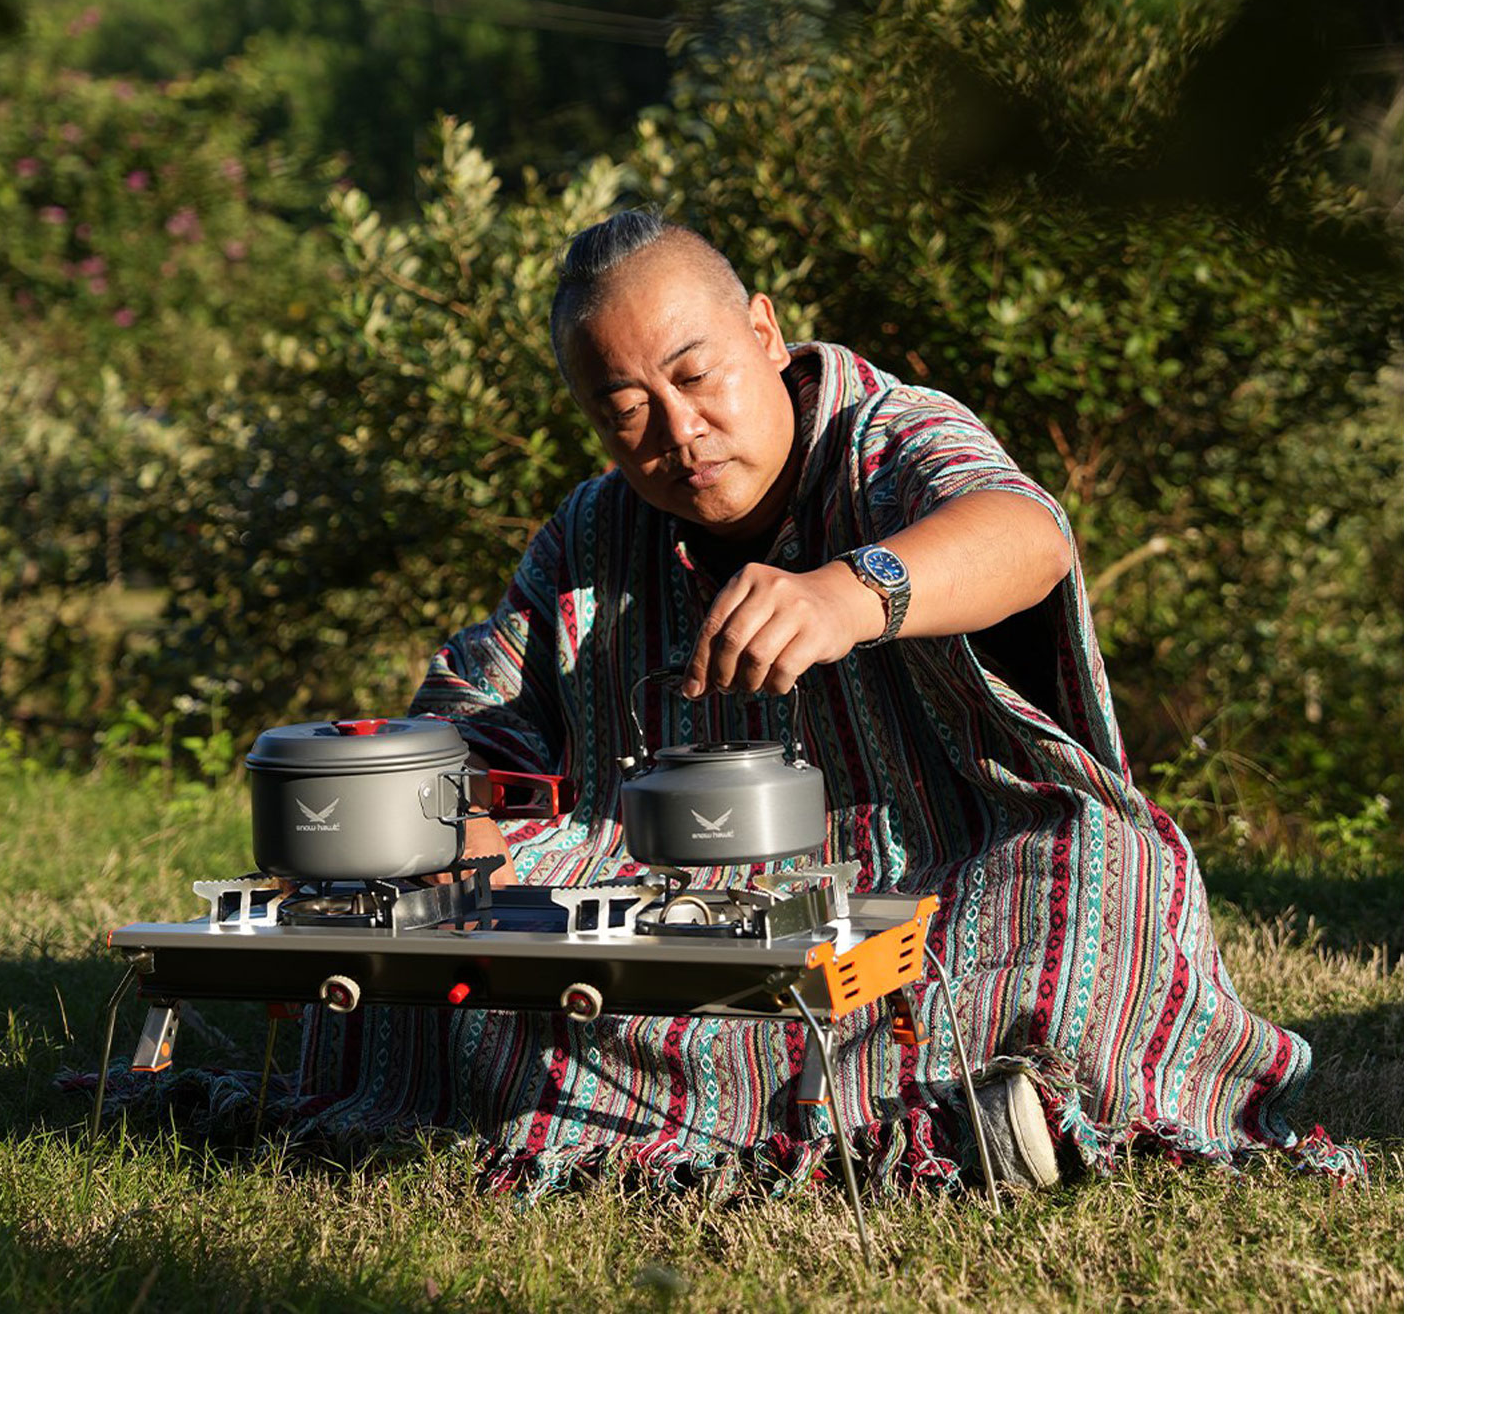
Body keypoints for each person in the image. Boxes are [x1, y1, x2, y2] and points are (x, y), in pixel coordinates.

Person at [294, 210, 1362, 1195]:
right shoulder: (589, 534)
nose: (679, 429)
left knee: (1104, 870)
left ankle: (961, 1097)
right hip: (682, 902)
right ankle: (948, 1113)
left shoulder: (891, 433)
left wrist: (853, 593)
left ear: (763, 332)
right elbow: (475, 709)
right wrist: (465, 814)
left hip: (950, 869)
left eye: (696, 375)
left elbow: (1027, 533)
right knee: (433, 895)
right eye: (626, 412)